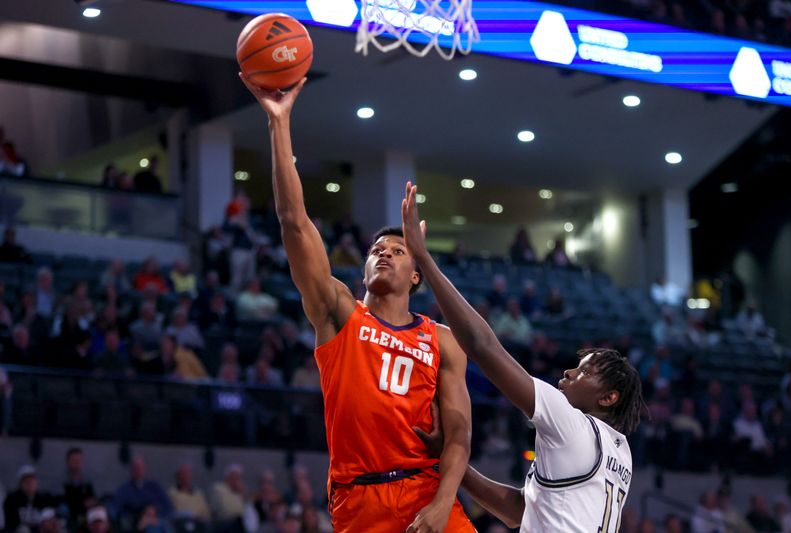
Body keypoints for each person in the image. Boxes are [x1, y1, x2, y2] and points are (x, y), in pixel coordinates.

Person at [241, 75, 473, 533]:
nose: (384, 252)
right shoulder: (340, 313)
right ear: (364, 269)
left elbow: (460, 433)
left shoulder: (443, 341)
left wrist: (444, 502)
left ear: (416, 274)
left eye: (398, 250)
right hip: (358, 498)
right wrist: (279, 123)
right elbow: (294, 222)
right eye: (376, 250)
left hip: (427, 491)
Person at [401, 183, 644, 532]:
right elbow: (521, 511)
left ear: (608, 397)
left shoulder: (571, 423)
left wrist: (424, 259)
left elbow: (483, 347)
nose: (568, 372)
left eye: (584, 371)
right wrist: (451, 463)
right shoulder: (621, 455)